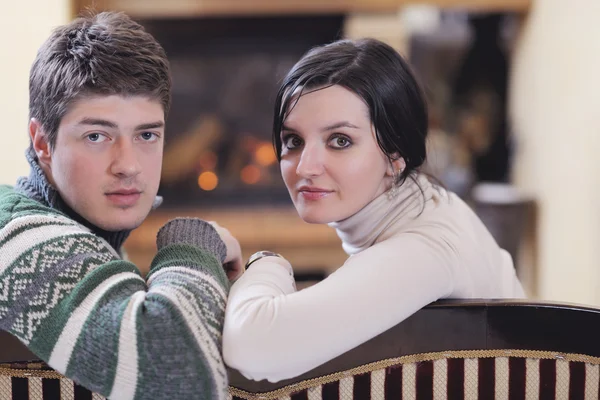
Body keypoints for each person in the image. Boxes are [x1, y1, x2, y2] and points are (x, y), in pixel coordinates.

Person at [222, 38, 524, 382]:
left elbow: (253, 347)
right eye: (294, 141)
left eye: (340, 141)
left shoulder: (423, 249)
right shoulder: (431, 203)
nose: (305, 167)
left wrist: (266, 263)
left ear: (395, 156)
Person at [0, 11, 242, 399]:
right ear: (43, 143)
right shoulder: (16, 236)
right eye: (97, 136)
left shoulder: (84, 231)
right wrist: (193, 238)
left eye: (147, 135)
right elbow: (178, 380)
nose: (128, 165)